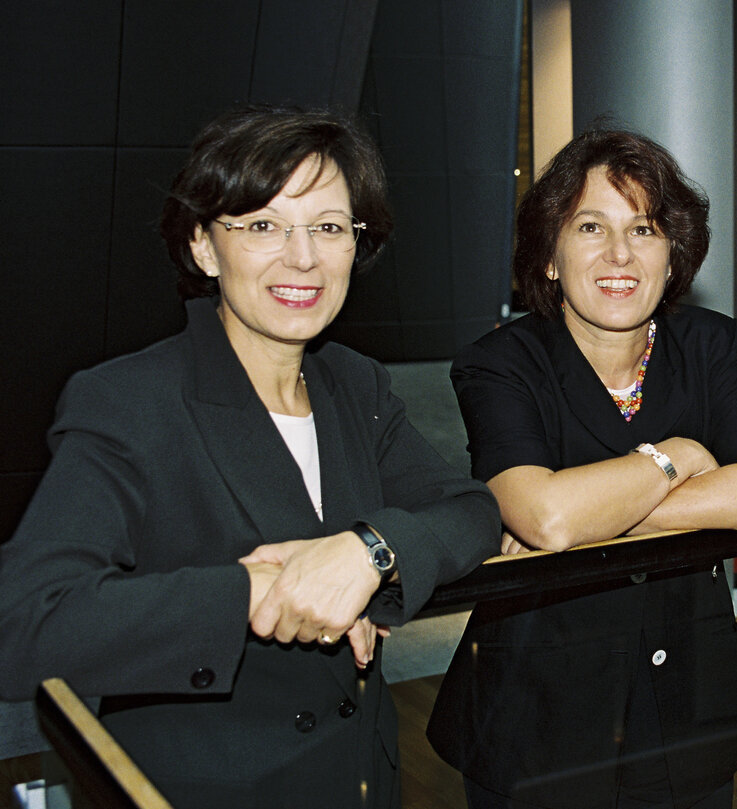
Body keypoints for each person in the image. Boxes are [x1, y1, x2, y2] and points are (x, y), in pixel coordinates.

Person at [0, 106, 500, 808]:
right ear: (204, 247)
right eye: (263, 225)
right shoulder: (130, 399)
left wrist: (368, 551)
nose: (303, 256)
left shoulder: (353, 383)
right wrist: (254, 592)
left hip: (361, 780)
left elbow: (470, 509)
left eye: (328, 227)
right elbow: (24, 620)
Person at [426, 128, 737, 809]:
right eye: (591, 226)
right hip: (539, 723)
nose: (619, 254)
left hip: (687, 714)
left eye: (645, 229)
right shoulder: (500, 365)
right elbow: (548, 514)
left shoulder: (711, 345)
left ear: (673, 254)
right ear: (549, 257)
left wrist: (585, 506)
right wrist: (676, 458)